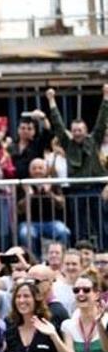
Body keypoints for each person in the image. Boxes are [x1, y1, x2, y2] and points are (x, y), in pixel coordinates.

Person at [46, 85, 108, 243]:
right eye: (74, 130)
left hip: (95, 189)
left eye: (80, 130)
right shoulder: (68, 143)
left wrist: (106, 97)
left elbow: (102, 120)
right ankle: (80, 250)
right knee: (79, 226)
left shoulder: (94, 140)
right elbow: (58, 125)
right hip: (76, 191)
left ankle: (103, 251)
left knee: (101, 224)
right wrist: (51, 101)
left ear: (86, 130)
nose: (77, 133)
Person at [61, 274, 108, 352]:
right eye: (76, 290)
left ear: (97, 294)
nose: (80, 294)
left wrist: (99, 324)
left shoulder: (106, 320)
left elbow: (106, 349)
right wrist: (53, 336)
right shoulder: (68, 325)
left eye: (86, 290)